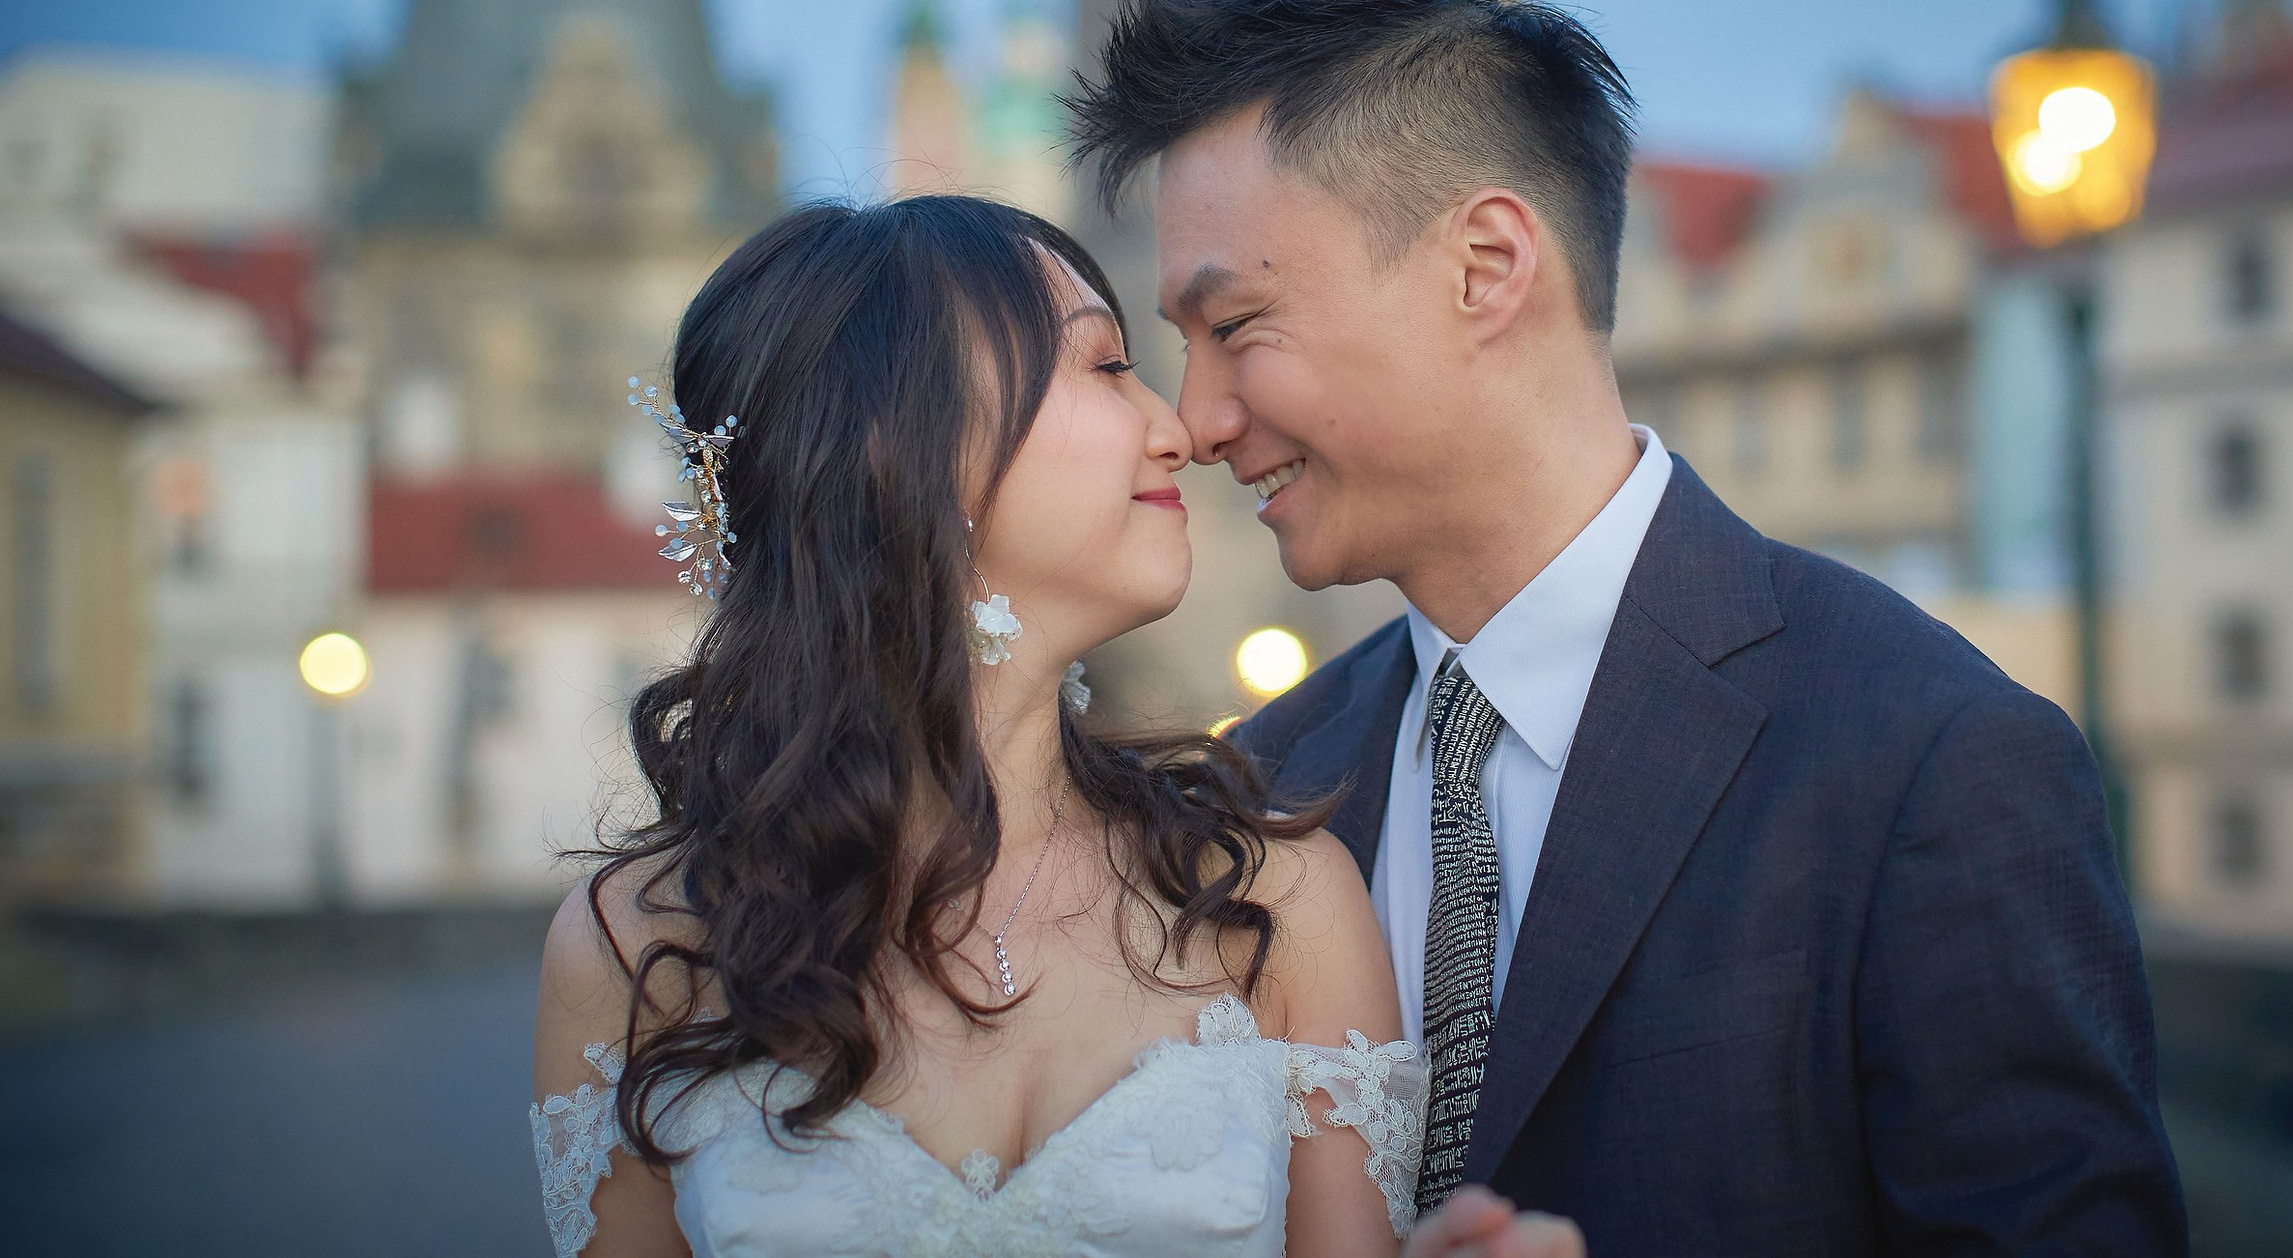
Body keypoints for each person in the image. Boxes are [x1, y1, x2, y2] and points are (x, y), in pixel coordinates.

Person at [1066, 0, 2190, 1254]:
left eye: (1236, 326)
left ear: (1487, 266)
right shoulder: (1266, 778)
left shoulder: (1927, 761)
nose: (1198, 417)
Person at [530, 196, 1583, 1257]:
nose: (1176, 428)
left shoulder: (1272, 896)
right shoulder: (638, 942)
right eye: (1105, 366)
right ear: (897, 440)